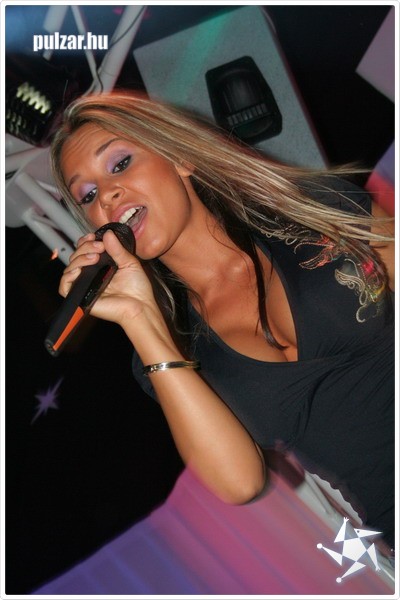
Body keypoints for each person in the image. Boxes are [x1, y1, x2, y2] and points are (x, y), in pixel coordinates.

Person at [50, 91, 395, 550]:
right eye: (88, 195)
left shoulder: (308, 209)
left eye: (120, 163)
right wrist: (137, 316)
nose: (107, 195)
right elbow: (240, 482)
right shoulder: (169, 345)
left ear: (180, 158)